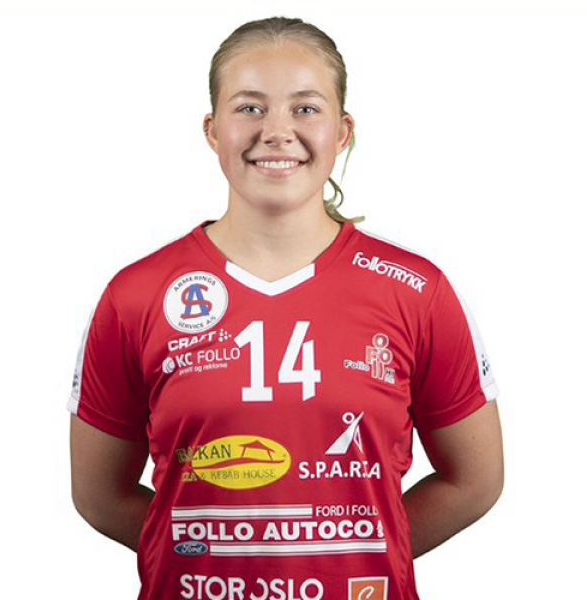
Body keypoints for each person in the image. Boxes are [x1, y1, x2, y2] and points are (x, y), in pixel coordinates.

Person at [69, 16, 504, 600]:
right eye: (249, 107)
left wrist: (358, 554)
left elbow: (475, 482)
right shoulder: (136, 294)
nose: (277, 131)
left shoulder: (416, 291)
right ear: (212, 129)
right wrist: (204, 554)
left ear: (342, 131)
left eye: (305, 108)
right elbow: (98, 495)